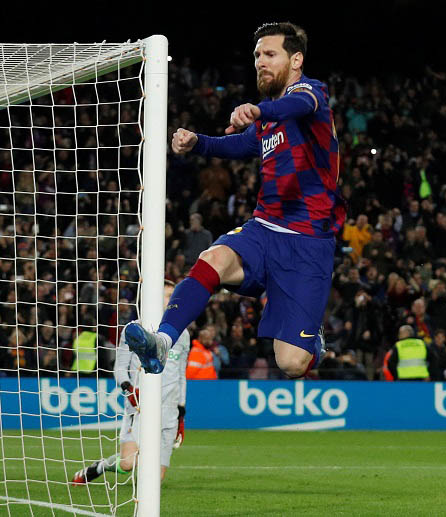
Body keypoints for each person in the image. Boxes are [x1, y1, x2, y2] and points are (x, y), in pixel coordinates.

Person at [124, 21, 345, 379]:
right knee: (213, 258)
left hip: (307, 243)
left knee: (291, 363)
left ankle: (312, 343)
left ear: (296, 60)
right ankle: (162, 342)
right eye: (257, 55)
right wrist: (198, 142)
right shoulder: (269, 117)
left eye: (270, 54)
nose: (260, 62)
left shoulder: (310, 94)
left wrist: (259, 110)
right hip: (264, 228)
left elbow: (298, 104)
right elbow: (242, 143)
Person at [71, 280, 190, 485]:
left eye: (174, 295)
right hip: (140, 406)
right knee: (127, 464)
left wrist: (181, 412)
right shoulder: (134, 329)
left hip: (169, 410)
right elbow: (119, 368)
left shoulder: (183, 334)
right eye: (167, 295)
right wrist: (129, 389)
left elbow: (181, 375)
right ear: (152, 297)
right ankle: (99, 467)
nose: (172, 300)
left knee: (157, 477)